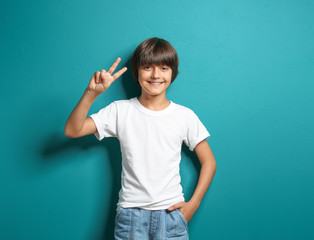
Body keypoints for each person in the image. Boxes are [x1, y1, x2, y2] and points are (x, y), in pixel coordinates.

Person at [64, 37, 216, 240]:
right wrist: (91, 94)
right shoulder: (120, 110)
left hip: (171, 216)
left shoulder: (184, 115)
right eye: (147, 67)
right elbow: (73, 130)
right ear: (136, 72)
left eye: (164, 68)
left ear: (173, 72)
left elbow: (209, 162)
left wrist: (193, 205)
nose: (155, 75)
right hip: (131, 217)